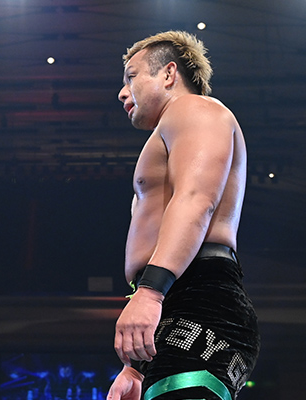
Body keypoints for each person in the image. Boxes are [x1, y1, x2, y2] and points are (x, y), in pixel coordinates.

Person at [107, 31, 260, 400]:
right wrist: (136, 365)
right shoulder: (170, 132)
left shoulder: (196, 109)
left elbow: (196, 200)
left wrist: (149, 293)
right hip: (180, 300)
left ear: (168, 74)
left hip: (200, 295)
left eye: (131, 77)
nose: (123, 93)